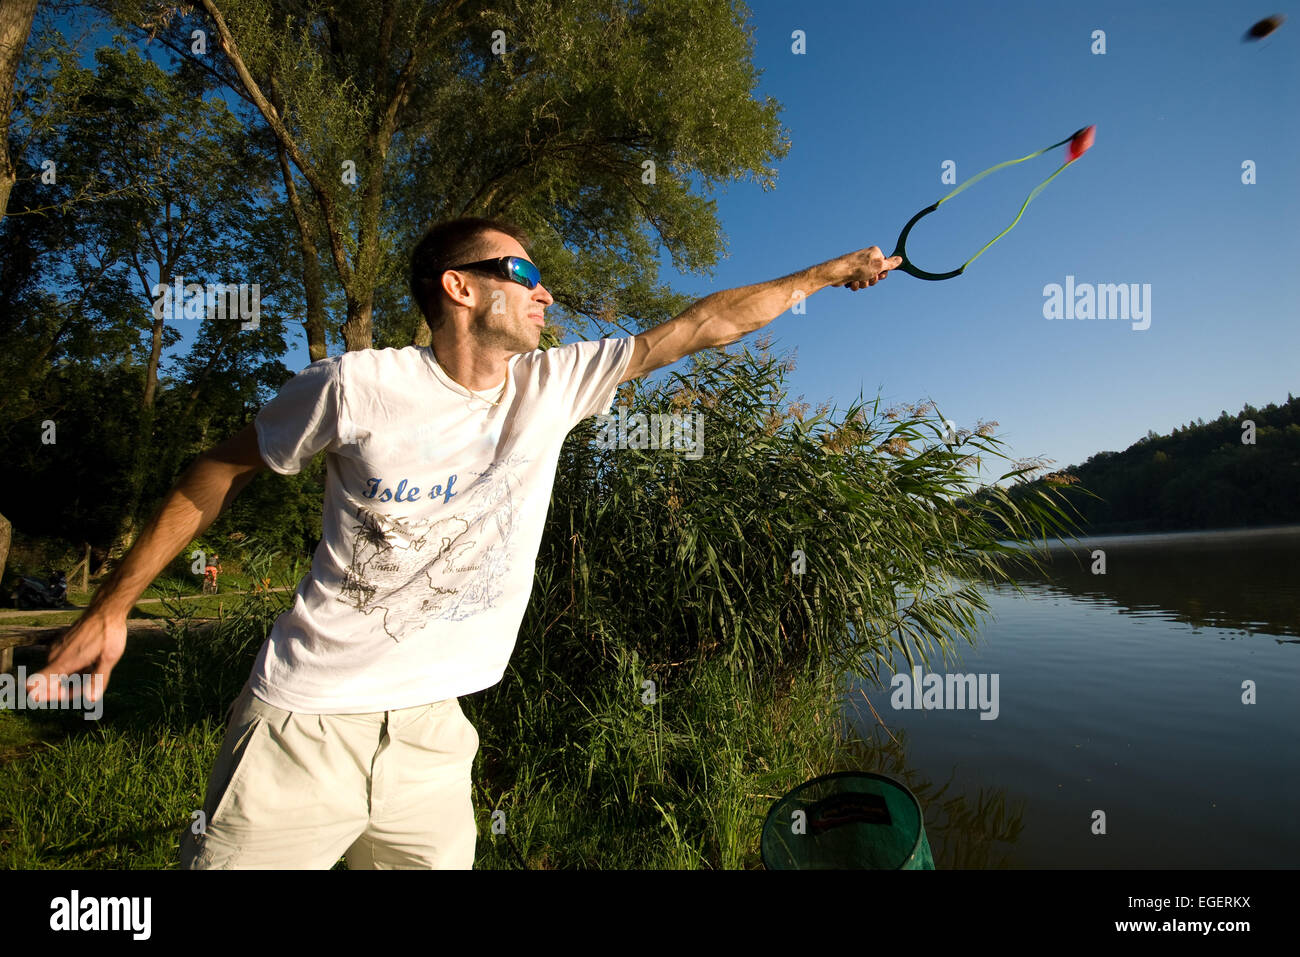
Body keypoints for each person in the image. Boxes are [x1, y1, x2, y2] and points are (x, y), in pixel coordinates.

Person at [25, 216, 898, 868]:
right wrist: (113, 607)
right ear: (460, 286)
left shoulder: (556, 384)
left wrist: (829, 272)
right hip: (304, 728)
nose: (544, 291)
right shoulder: (355, 386)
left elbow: (707, 324)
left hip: (437, 739)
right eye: (523, 271)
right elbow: (215, 470)